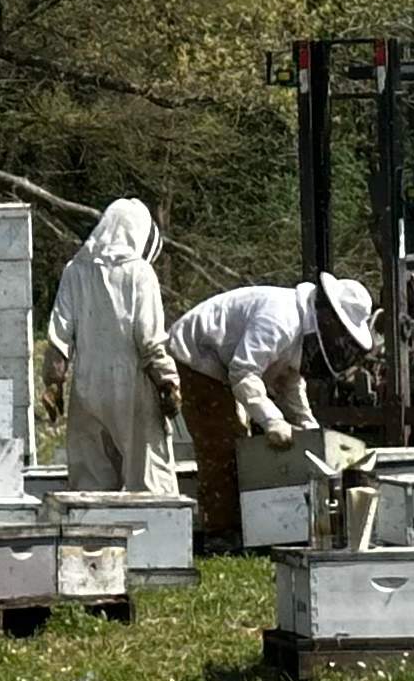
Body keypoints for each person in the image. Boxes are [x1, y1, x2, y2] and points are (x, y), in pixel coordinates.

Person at [167, 274, 376, 546]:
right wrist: (273, 421)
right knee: (224, 442)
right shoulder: (280, 320)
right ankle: (221, 533)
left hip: (223, 365)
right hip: (194, 357)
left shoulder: (300, 329)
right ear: (328, 317)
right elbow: (243, 373)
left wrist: (307, 425)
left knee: (244, 442)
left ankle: (245, 527)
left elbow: (289, 382)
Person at [42, 198, 180, 493]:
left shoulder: (74, 270)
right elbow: (150, 338)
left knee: (91, 484)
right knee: (148, 483)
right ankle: (151, 538)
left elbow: (59, 334)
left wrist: (53, 383)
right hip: (133, 388)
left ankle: (95, 540)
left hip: (87, 388)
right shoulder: (140, 273)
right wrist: (167, 382)